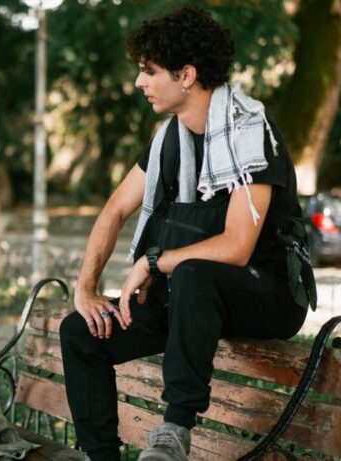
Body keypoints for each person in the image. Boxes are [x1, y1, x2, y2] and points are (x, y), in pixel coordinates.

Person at [59, 7, 316, 461]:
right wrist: (86, 289)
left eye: (149, 70)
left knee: (195, 272)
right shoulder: (170, 140)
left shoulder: (249, 132)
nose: (139, 82)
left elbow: (237, 247)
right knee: (80, 331)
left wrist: (153, 262)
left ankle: (174, 431)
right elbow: (115, 209)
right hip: (190, 301)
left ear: (186, 75)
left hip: (267, 292)